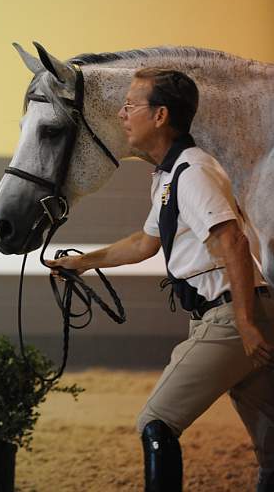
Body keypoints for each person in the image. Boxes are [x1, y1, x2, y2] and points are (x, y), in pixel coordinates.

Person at [45, 68, 274, 492]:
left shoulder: (193, 173)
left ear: (161, 115)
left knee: (156, 422)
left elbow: (234, 244)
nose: (122, 113)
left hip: (229, 317)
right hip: (239, 311)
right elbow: (142, 243)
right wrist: (80, 263)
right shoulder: (168, 177)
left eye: (131, 105)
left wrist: (244, 322)